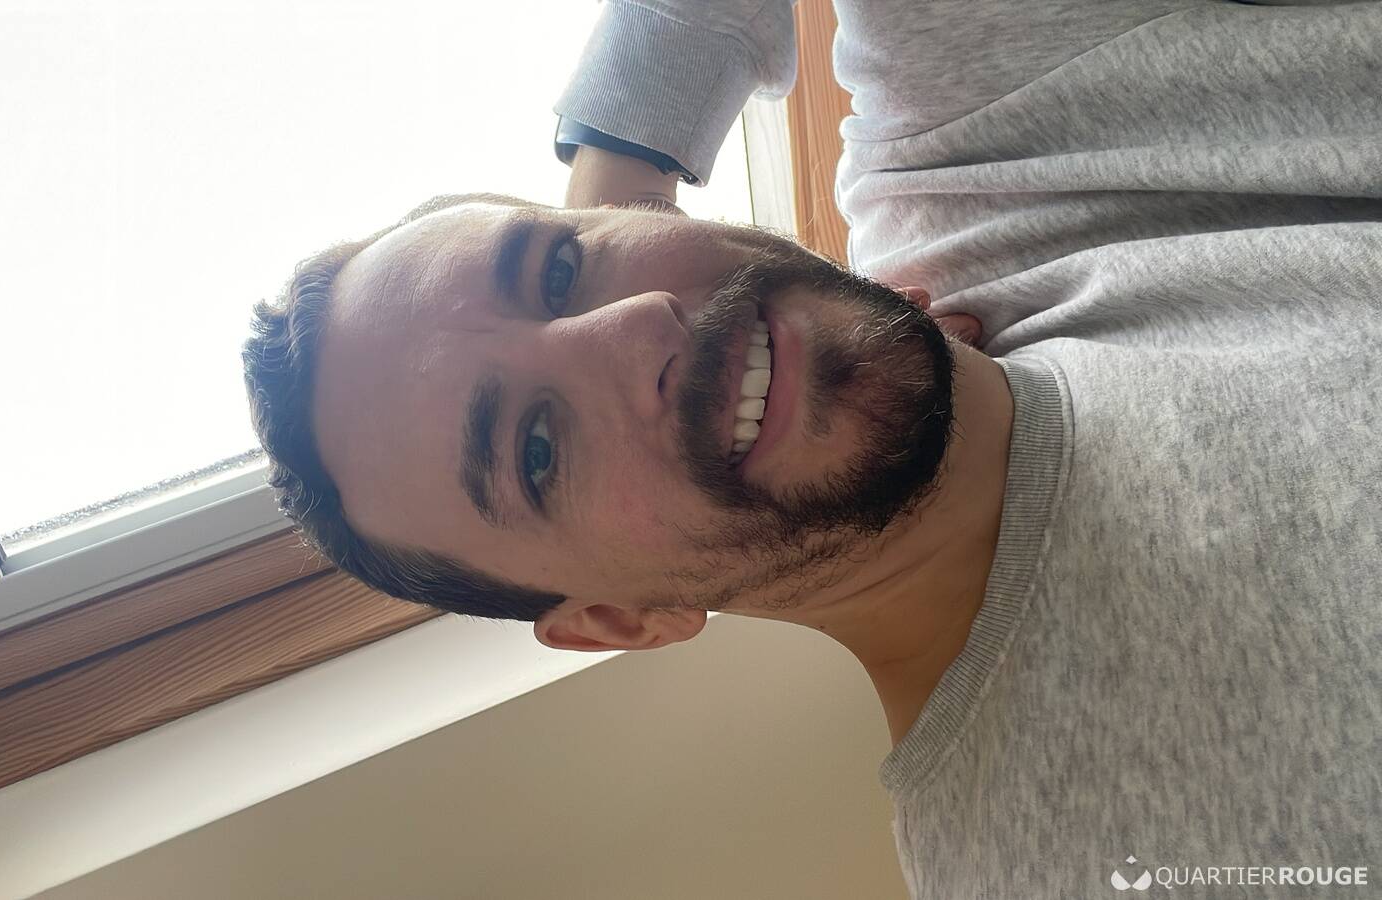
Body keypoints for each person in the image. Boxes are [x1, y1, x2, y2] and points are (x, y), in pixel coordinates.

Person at [242, 1, 1381, 895]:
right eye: (536, 451)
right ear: (621, 620)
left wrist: (624, 145)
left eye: (560, 267)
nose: (636, 327)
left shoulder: (979, 161)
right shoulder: (1084, 858)